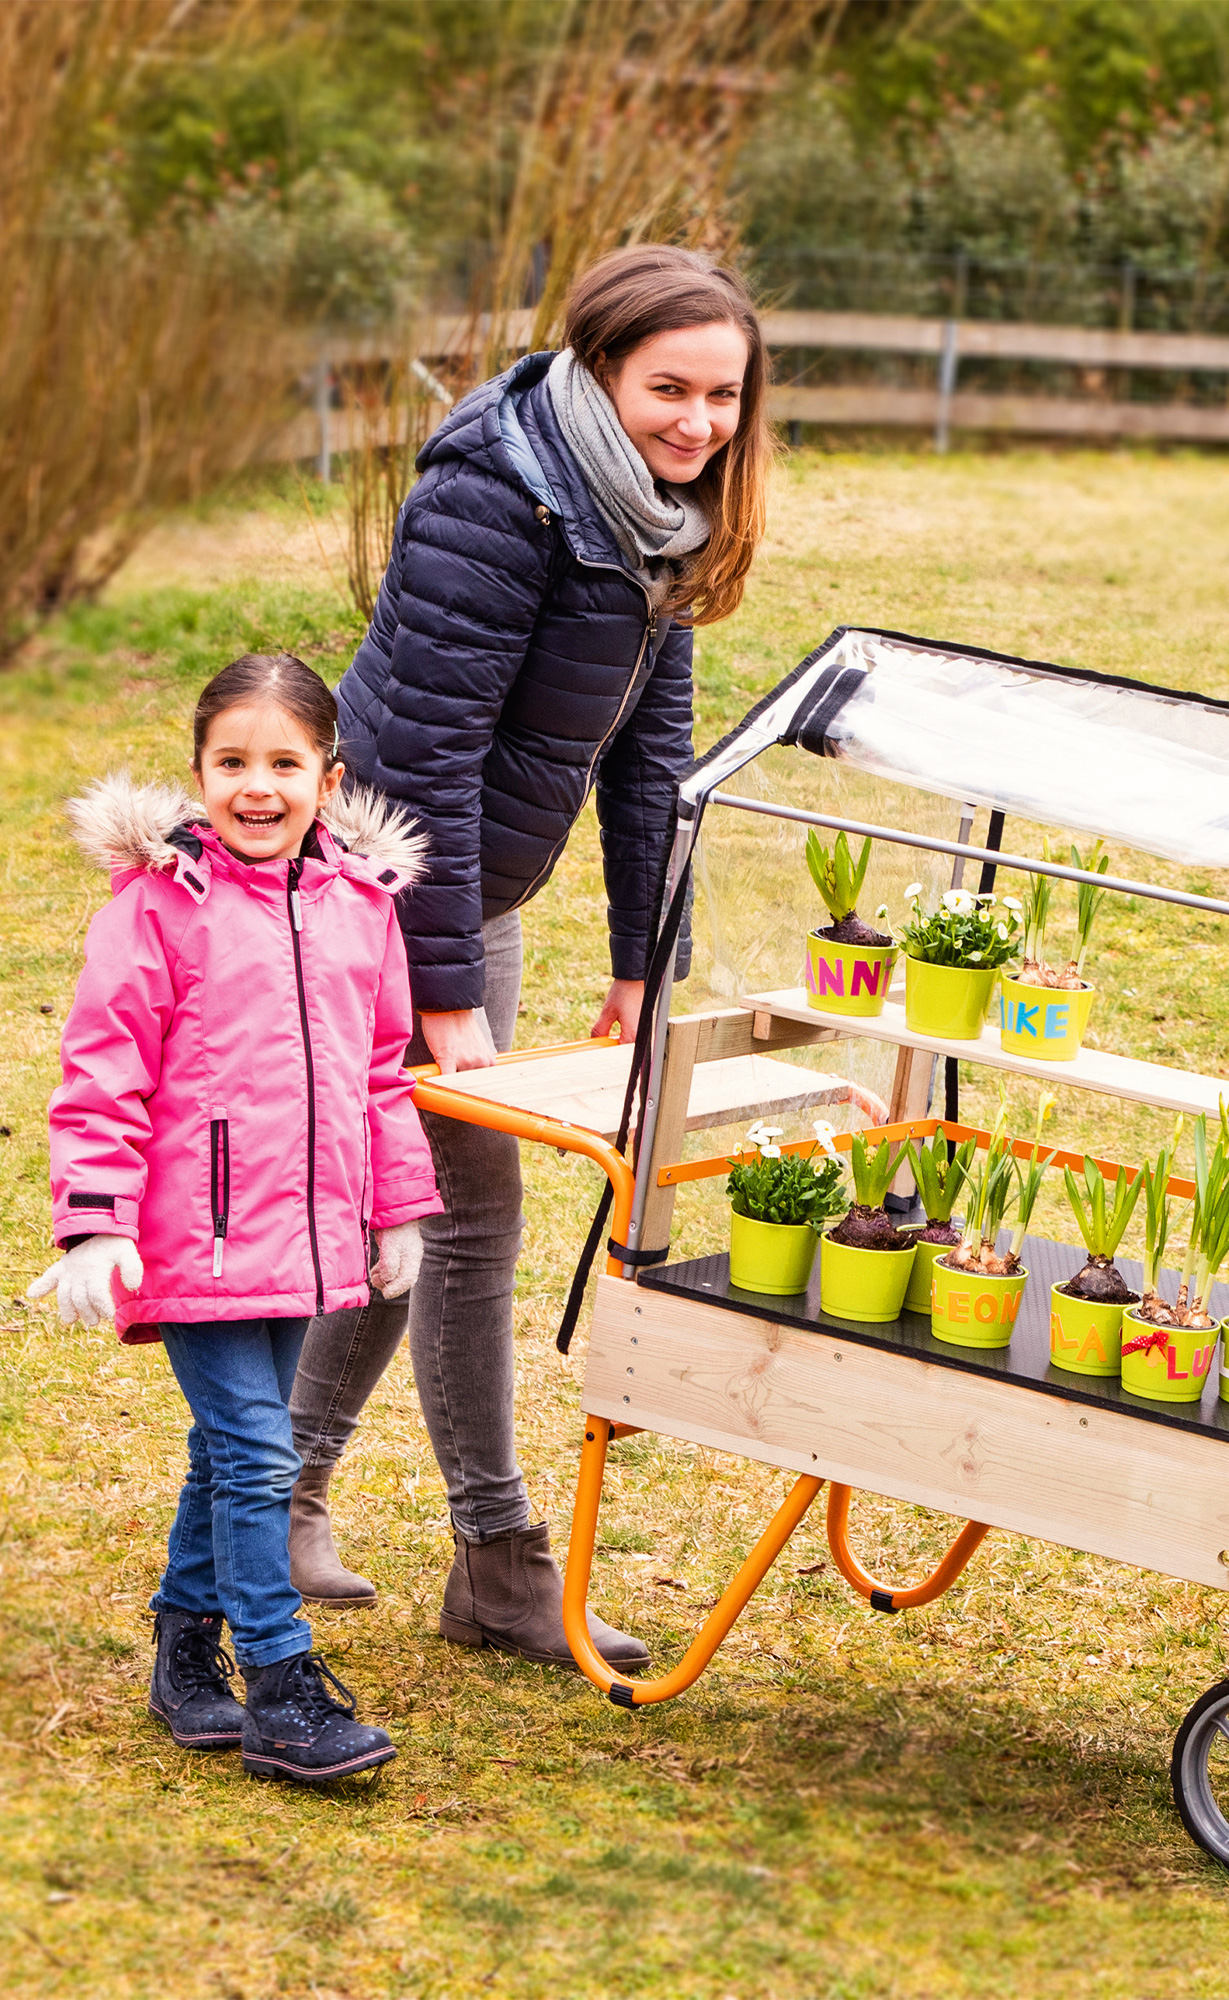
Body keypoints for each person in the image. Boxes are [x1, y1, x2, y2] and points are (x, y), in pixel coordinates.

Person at [287, 244, 773, 1670]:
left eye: (722, 396)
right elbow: (421, 756)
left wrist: (639, 959)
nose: (694, 422)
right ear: (599, 368)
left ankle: (294, 1502)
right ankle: (490, 1561)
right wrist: (441, 994)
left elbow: (650, 754)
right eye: (666, 389)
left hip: (468, 894)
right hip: (374, 890)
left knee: (433, 1209)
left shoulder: (659, 515)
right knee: (465, 1209)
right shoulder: (493, 495)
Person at [30, 653, 438, 1782]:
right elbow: (100, 1076)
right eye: (231, 762)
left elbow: (378, 1071)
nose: (257, 786)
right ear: (198, 771)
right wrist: (98, 1224)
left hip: (304, 1239)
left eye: (284, 762)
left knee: (228, 1454)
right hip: (192, 1240)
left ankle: (182, 1652)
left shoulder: (360, 908)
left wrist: (395, 1203)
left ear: (327, 773)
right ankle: (281, 1682)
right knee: (264, 1452)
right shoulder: (158, 910)